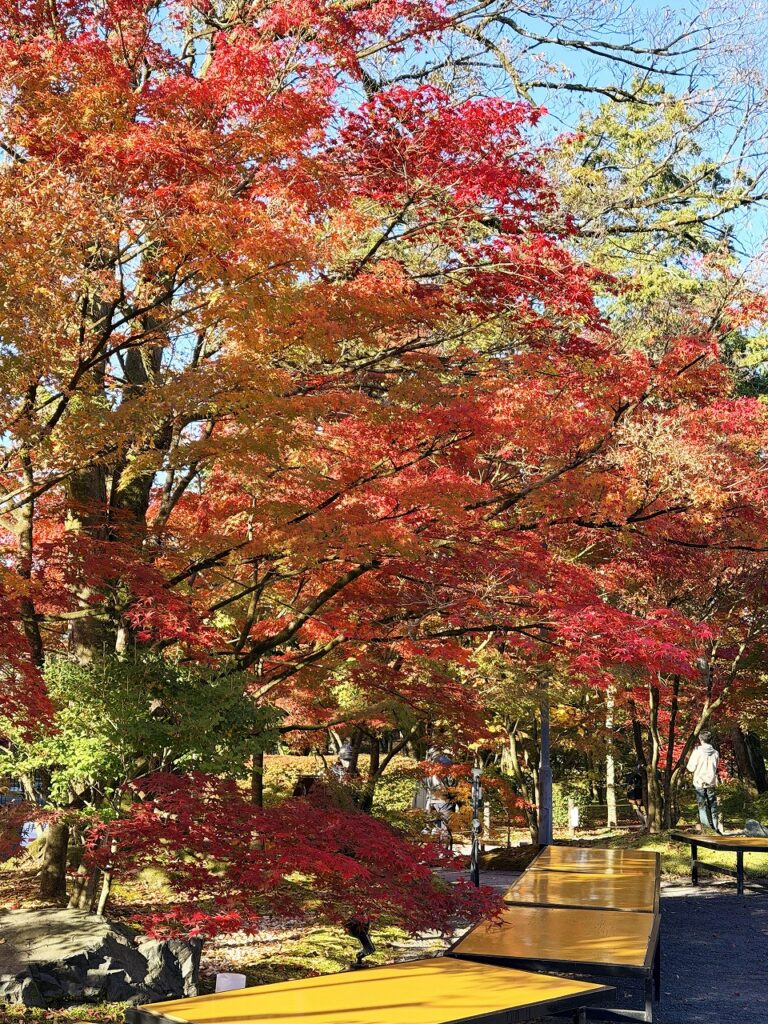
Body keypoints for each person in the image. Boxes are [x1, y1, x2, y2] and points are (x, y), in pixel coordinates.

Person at [687, 731, 723, 834]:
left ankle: (707, 829)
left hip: (699, 781)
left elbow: (691, 767)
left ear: (700, 739)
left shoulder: (697, 751)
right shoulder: (715, 752)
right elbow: (715, 766)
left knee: (702, 805)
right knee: (713, 804)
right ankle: (715, 827)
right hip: (711, 781)